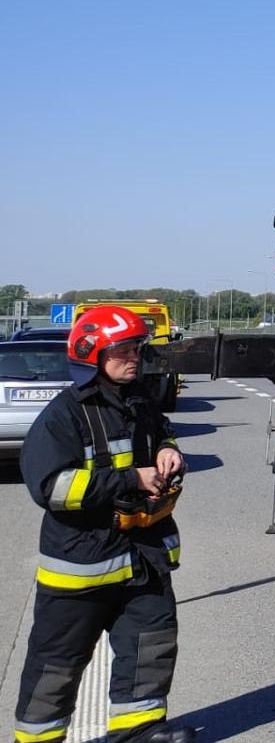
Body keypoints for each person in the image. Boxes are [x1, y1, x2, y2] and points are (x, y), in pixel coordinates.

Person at [13, 305, 195, 743]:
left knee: (149, 648)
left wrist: (169, 451)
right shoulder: (64, 416)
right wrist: (132, 478)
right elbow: (52, 488)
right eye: (123, 350)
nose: (134, 356)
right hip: (82, 566)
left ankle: (139, 731)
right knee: (56, 663)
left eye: (137, 348)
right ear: (91, 352)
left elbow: (160, 434)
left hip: (144, 557)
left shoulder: (139, 401)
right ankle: (38, 739)